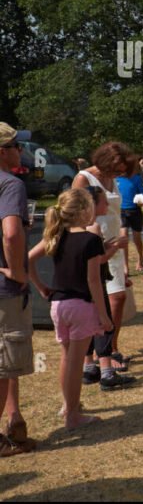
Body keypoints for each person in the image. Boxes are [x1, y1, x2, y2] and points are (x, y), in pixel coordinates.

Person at [28, 188, 112, 429]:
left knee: (67, 358)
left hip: (58, 306)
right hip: (81, 307)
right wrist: (104, 315)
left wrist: (41, 287)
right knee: (76, 364)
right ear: (85, 210)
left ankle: (68, 405)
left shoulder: (56, 235)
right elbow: (93, 281)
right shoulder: (91, 240)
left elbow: (28, 259)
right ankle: (72, 415)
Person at [73, 142, 133, 367]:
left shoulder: (112, 179)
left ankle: (111, 348)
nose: (119, 174)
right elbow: (75, 214)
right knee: (97, 302)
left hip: (114, 244)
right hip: (94, 246)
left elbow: (116, 212)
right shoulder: (84, 179)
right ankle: (98, 355)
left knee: (118, 297)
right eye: (117, 169)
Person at [0, 124, 35, 456]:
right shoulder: (11, 184)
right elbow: (11, 234)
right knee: (4, 364)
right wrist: (18, 271)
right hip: (4, 291)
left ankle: (15, 420)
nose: (20, 151)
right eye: (15, 146)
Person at [79, 185, 135, 391]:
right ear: (92, 205)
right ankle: (107, 373)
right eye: (104, 201)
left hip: (80, 285)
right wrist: (116, 247)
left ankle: (88, 368)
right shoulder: (93, 227)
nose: (108, 204)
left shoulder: (76, 226)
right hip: (95, 283)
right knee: (103, 323)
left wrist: (109, 245)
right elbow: (99, 260)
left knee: (88, 325)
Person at [116, 160, 143, 272]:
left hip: (135, 210)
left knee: (136, 238)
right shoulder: (116, 179)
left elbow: (142, 195)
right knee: (123, 236)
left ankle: (140, 258)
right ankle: (125, 266)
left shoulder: (136, 178)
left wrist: (141, 201)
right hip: (121, 211)